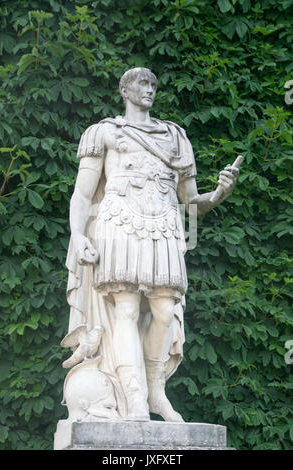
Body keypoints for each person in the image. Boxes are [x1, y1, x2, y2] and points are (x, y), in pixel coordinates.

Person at [65, 67, 238, 422]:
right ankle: (135, 398)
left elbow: (190, 202)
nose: (150, 90)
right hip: (119, 223)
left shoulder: (175, 138)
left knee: (163, 312)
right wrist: (79, 235)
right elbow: (82, 195)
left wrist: (220, 193)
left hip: (164, 226)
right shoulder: (104, 133)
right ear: (125, 90)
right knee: (126, 310)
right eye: (142, 84)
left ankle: (156, 390)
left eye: (153, 85)